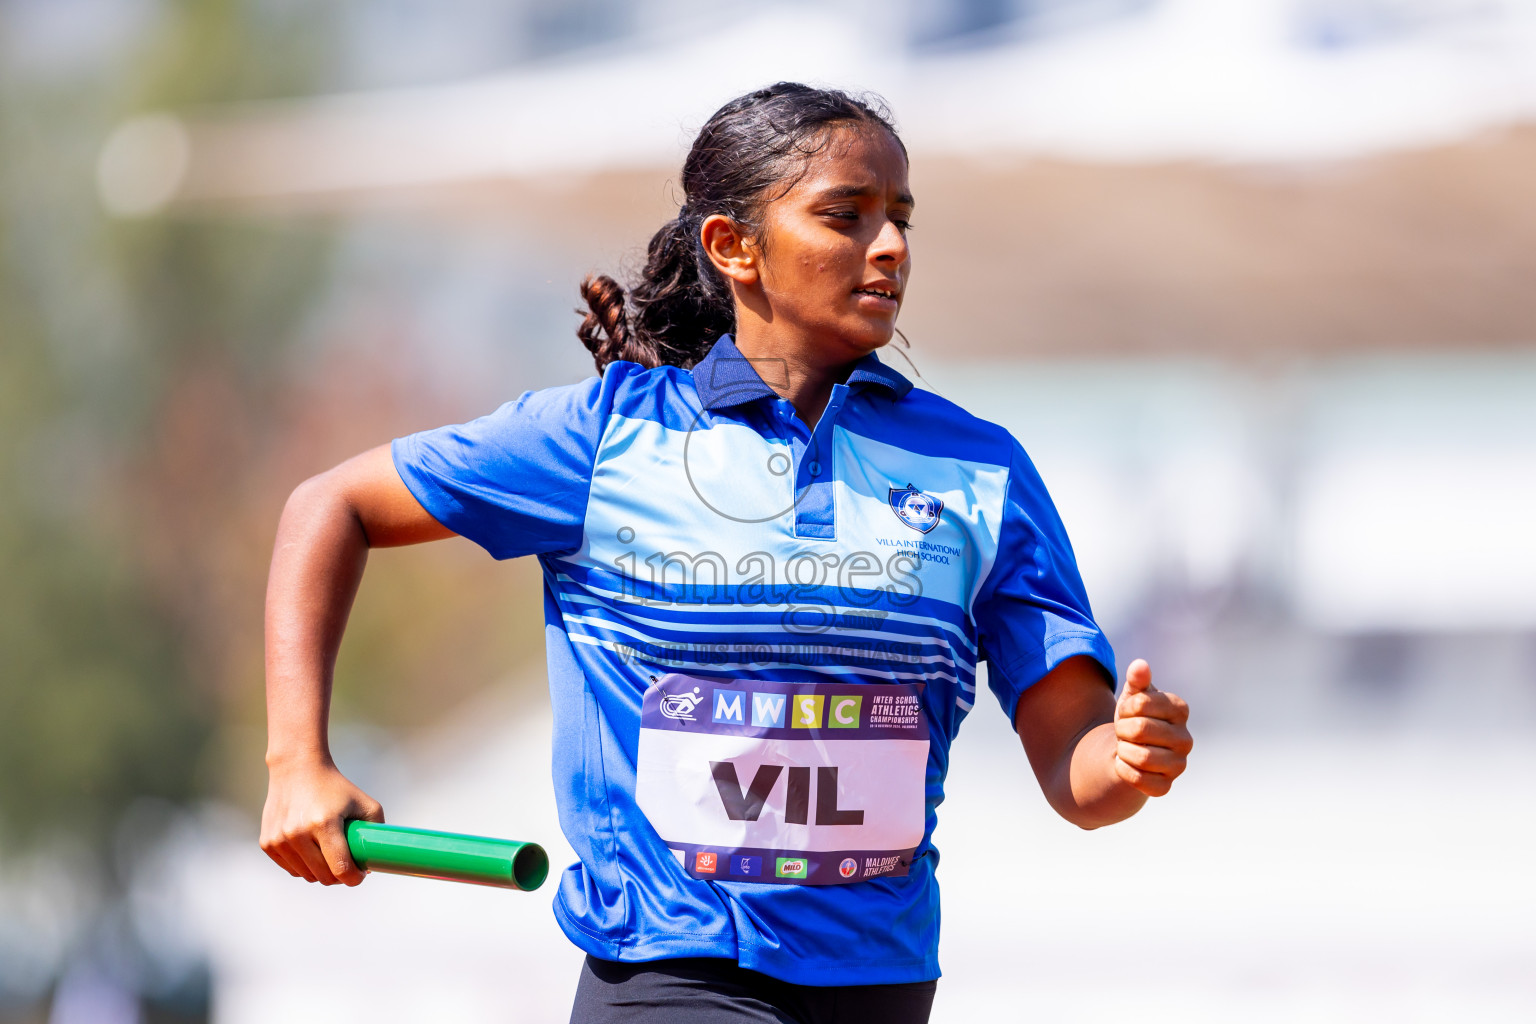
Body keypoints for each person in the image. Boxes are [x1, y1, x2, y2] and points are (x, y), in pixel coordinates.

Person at [260, 83, 1192, 1024]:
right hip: (674, 977)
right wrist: (297, 761)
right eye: (846, 216)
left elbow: (1076, 767)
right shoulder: (602, 439)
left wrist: (1126, 759)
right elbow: (328, 505)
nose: (892, 247)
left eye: (900, 218)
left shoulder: (978, 467)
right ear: (732, 247)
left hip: (885, 987)